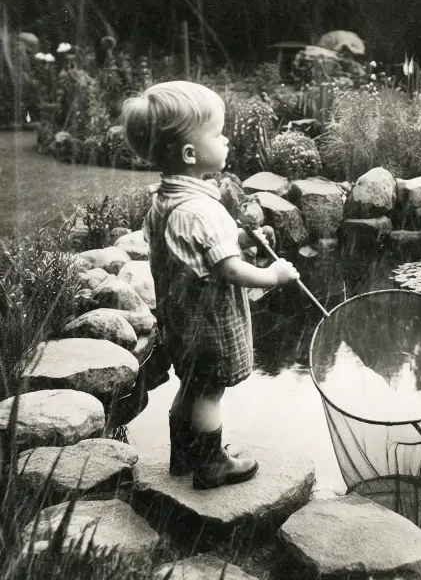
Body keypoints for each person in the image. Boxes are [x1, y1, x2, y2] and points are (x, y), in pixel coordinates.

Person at [121, 81, 299, 490]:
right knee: (210, 394)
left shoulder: (165, 202)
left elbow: (190, 249)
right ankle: (211, 464)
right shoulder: (204, 209)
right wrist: (275, 276)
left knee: (192, 385)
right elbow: (231, 271)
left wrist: (235, 238)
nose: (226, 139)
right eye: (217, 134)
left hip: (181, 321)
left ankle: (183, 454)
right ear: (190, 153)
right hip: (209, 323)